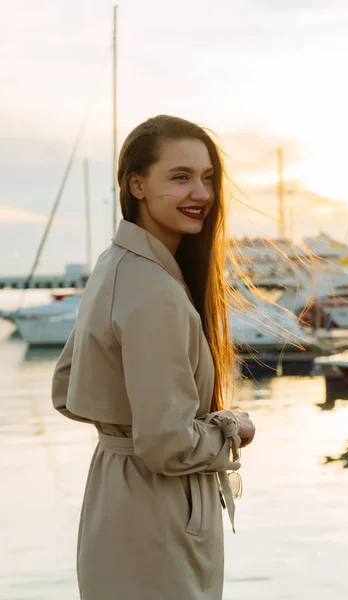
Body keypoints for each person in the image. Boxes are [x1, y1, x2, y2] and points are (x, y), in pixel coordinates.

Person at [51, 115, 256, 600]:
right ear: (136, 184)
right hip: (158, 516)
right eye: (181, 177)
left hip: (113, 502)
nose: (201, 193)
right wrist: (232, 430)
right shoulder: (155, 290)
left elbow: (66, 389)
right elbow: (166, 445)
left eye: (207, 178)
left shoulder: (114, 265)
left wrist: (121, 428)